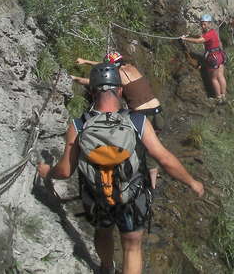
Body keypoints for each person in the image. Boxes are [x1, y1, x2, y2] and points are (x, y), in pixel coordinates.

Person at [38, 63, 204, 274]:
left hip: (97, 195)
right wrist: (192, 182)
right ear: (120, 90)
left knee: (103, 231)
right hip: (132, 196)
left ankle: (106, 267)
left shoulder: (79, 125)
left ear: (92, 91)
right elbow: (164, 159)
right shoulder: (137, 121)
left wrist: (47, 172)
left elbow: (64, 171)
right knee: (132, 246)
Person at [71, 52, 163, 187]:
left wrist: (74, 78)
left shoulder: (116, 77)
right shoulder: (132, 68)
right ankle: (152, 179)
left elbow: (94, 82)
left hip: (143, 114)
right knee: (153, 147)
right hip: (158, 111)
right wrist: (85, 60)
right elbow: (107, 67)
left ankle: (138, 182)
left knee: (136, 148)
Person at [181, 14, 227, 101]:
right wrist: (190, 35)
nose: (203, 26)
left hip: (213, 58)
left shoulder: (208, 34)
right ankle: (223, 95)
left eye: (204, 24)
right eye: (201, 24)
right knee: (220, 76)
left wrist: (185, 39)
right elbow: (200, 37)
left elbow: (199, 41)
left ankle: (218, 97)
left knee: (214, 78)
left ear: (209, 23)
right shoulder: (213, 32)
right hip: (220, 56)